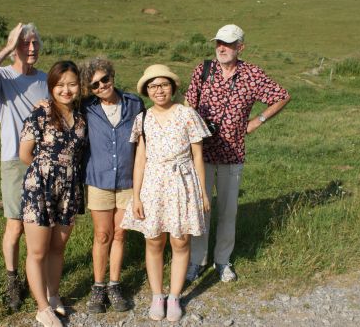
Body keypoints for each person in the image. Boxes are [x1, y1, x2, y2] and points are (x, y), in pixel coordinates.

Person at [184, 24, 291, 283]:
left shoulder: (252, 74)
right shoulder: (204, 70)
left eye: (229, 43)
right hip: (202, 153)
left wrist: (257, 121)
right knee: (200, 209)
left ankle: (222, 261)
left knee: (228, 211)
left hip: (233, 153)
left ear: (240, 47)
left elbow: (282, 96)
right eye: (219, 43)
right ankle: (196, 261)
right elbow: (188, 103)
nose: (222, 48)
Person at [121, 64, 211, 322]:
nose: (158, 90)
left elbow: (197, 155)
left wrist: (203, 193)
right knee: (154, 239)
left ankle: (174, 296)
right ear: (147, 90)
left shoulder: (187, 115)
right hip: (153, 185)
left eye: (163, 85)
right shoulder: (143, 119)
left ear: (172, 87)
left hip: (182, 183)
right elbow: (140, 160)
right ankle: (157, 295)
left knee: (180, 240)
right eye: (153, 86)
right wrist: (136, 196)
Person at [0, 22, 48, 310]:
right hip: (14, 162)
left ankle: (34, 275)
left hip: (43, 162)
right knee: (15, 225)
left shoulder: (45, 79)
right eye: (24, 44)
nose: (31, 49)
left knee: (37, 225)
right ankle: (12, 280)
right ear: (15, 47)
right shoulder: (1, 77)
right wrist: (5, 48)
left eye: (35, 44)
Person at [19, 61, 87, 327]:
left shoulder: (82, 118)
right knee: (37, 251)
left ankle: (53, 294)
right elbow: (25, 154)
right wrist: (46, 172)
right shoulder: (40, 113)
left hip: (70, 189)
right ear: (51, 87)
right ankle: (42, 308)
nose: (66, 90)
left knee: (58, 248)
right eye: (60, 85)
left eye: (71, 84)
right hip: (40, 188)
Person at [80, 58, 144, 313]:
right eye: (94, 84)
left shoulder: (134, 104)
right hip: (99, 179)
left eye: (104, 79)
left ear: (112, 76)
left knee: (120, 234)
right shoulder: (87, 107)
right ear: (89, 89)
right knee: (102, 234)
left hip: (128, 180)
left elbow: (143, 141)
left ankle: (114, 285)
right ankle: (98, 286)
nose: (101, 86)